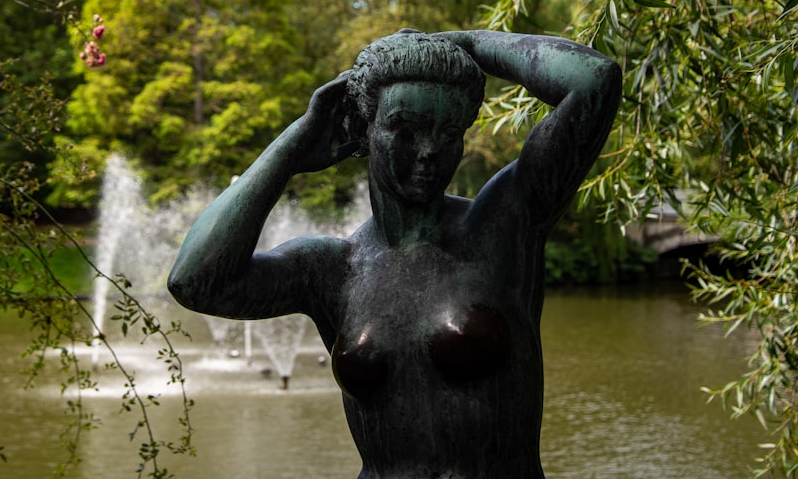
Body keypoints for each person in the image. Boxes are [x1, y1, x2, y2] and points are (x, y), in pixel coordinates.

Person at [168, 29, 622, 479]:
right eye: (405, 129)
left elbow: (593, 80)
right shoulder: (333, 269)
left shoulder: (505, 224)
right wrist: (292, 147)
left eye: (449, 133)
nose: (429, 152)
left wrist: (468, 43)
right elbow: (196, 281)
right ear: (363, 131)